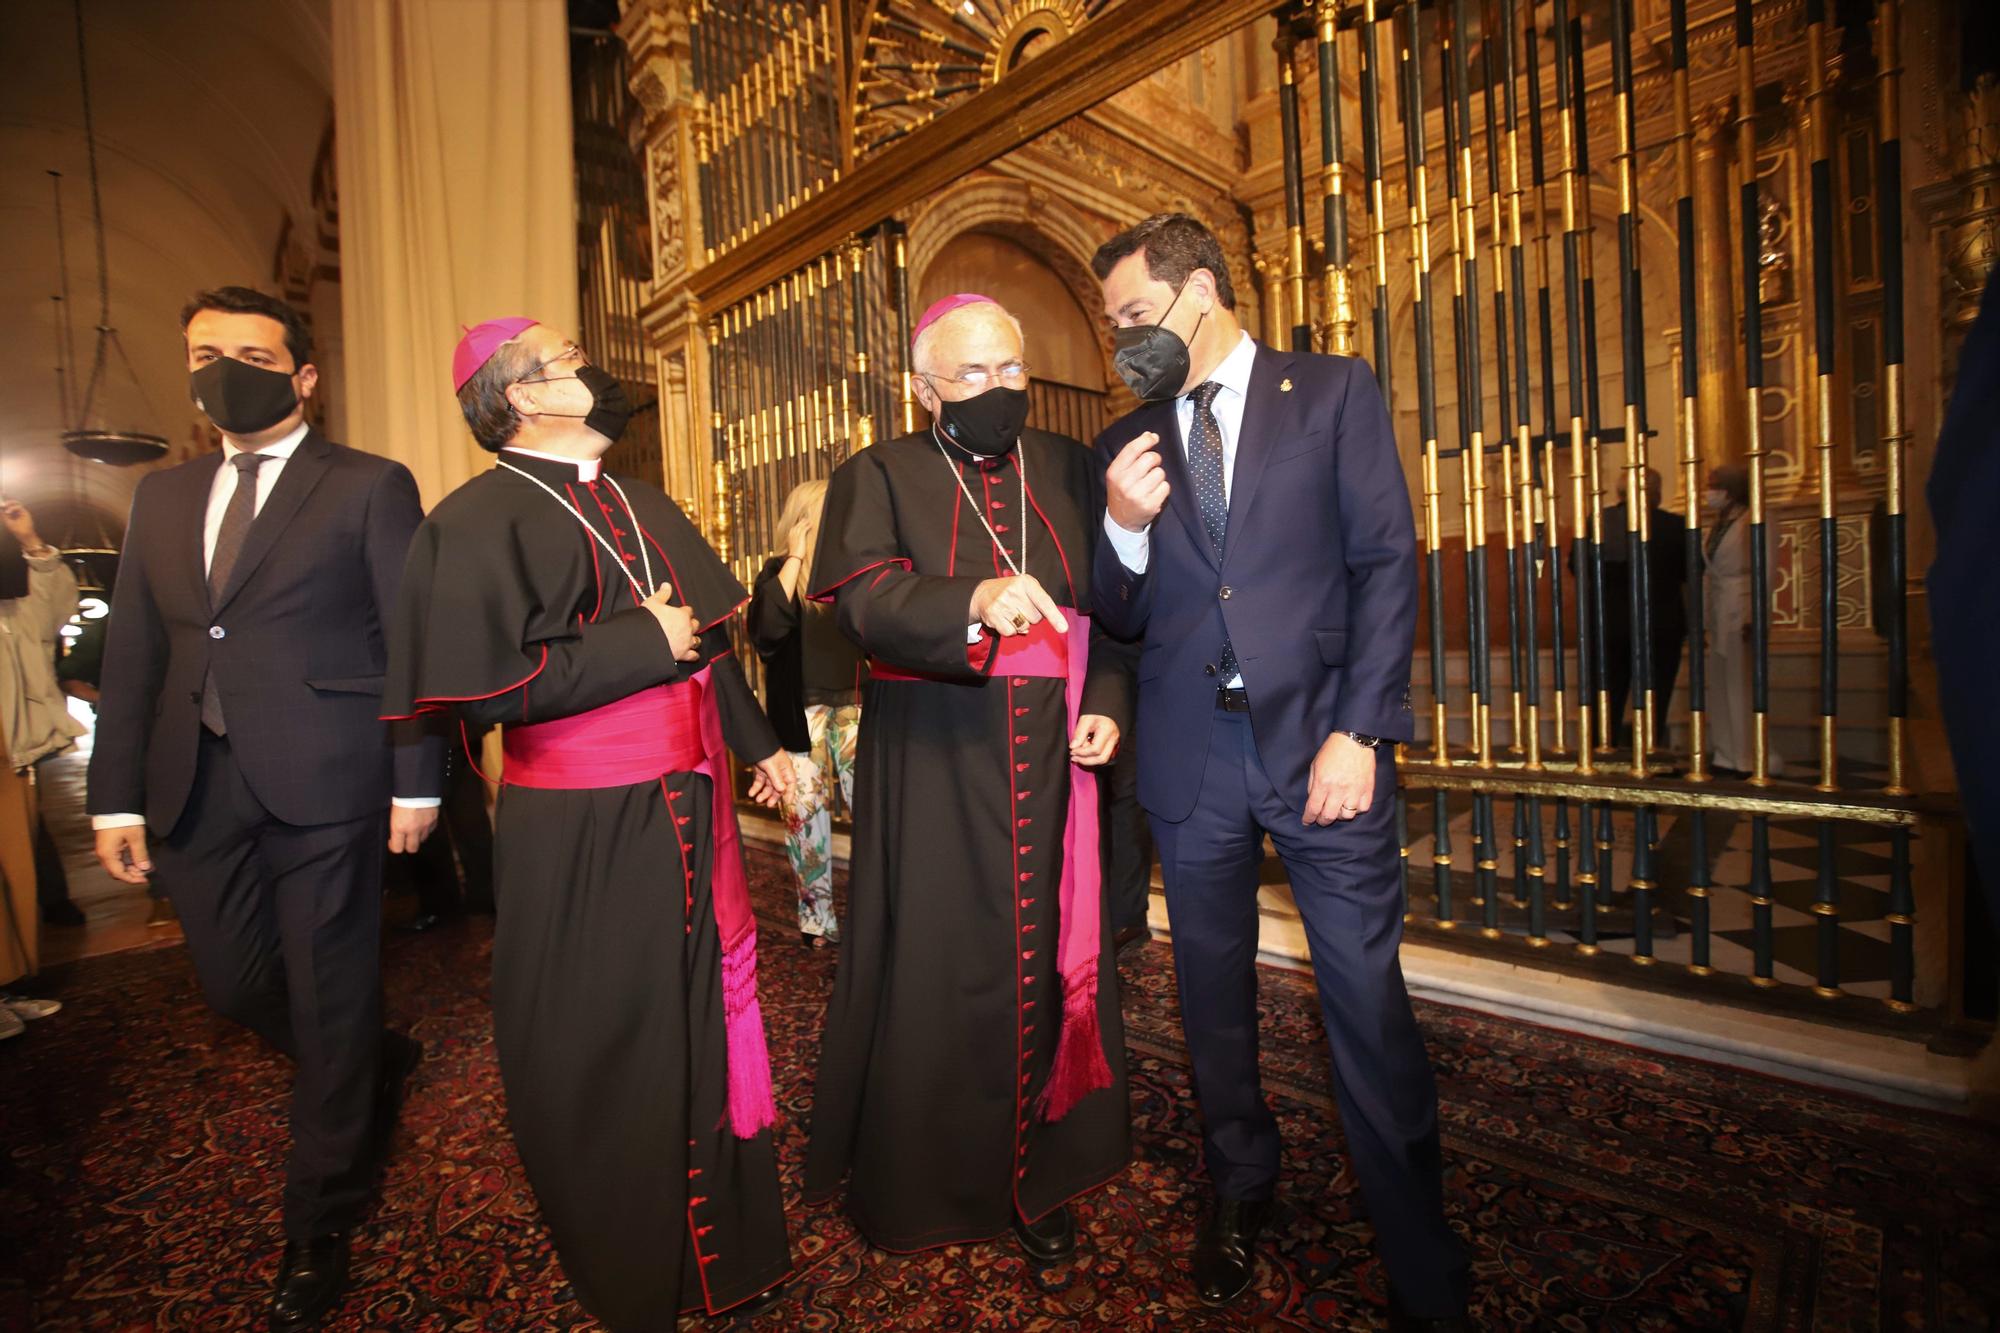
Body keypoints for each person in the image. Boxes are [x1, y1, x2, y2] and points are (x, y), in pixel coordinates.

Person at [1091, 213, 1469, 1329]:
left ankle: (1418, 1255)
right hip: (1190, 762)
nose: (1118, 340)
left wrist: (1362, 729)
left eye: (1129, 315)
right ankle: (1239, 1187)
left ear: (1197, 290)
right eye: (1109, 323)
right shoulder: (1129, 441)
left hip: (1323, 752)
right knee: (1212, 1004)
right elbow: (1113, 618)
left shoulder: (1332, 390)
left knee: (1364, 1005)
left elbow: (1382, 560)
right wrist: (1118, 525)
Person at [381, 317, 796, 1329]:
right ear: (516, 395)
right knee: (604, 1035)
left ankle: (721, 1244)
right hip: (581, 823)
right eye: (565, 360)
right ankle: (630, 1256)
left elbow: (699, 649)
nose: (588, 371)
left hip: (687, 799)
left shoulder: (640, 501)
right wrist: (635, 641)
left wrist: (760, 745)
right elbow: (493, 691)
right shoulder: (471, 522)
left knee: (698, 1015)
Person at [88, 286, 442, 1331]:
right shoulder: (162, 497)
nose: (222, 368)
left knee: (330, 989)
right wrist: (113, 800)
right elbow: (134, 658)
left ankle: (317, 1217)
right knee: (235, 983)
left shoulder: (368, 485)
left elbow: (406, 642)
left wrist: (415, 776)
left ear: (302, 374)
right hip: (191, 781)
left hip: (329, 776)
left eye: (250, 350)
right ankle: (364, 1062)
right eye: (204, 351)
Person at [802, 293, 1131, 1262]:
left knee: (1049, 955)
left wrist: (1107, 698)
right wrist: (974, 600)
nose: (997, 392)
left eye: (1010, 372)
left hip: (1055, 755)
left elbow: (1108, 612)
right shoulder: (880, 472)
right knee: (944, 965)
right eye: (972, 375)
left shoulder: (1071, 468)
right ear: (922, 388)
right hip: (938, 755)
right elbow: (861, 599)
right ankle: (936, 1175)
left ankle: (1044, 1166)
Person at [749, 477, 867, 947]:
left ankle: (880, 910)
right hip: (801, 715)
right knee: (805, 821)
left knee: (874, 812)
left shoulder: (851, 571)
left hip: (859, 708)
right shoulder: (779, 573)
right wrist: (795, 556)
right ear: (801, 521)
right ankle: (817, 919)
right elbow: (766, 634)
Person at [0, 499, 83, 1027]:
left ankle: (6, 990)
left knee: (16, 879)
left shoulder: (13, 609)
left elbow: (56, 609)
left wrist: (30, 542)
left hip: (10, 758)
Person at [1588, 465, 1689, 751]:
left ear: (1620, 493)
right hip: (1660, 624)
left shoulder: (1599, 521)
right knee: (1655, 694)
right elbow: (1689, 572)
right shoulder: (1672, 526)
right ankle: (1649, 751)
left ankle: (1602, 750)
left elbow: (1577, 565)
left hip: (1609, 624)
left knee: (1608, 694)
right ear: (1655, 494)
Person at [1702, 464, 1782, 779]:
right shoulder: (1717, 524)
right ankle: (1725, 752)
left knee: (1742, 683)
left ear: (1732, 489)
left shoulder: (1757, 518)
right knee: (1721, 682)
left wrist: (1755, 614)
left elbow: (1767, 569)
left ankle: (1748, 755)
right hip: (1720, 607)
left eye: (1714, 485)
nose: (1709, 492)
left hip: (1743, 605)